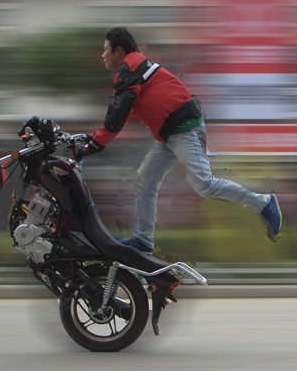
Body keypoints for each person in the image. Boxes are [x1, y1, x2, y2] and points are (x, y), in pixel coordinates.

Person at [78, 27, 282, 254]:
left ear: (118, 50)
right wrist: (95, 139)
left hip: (186, 132)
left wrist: (96, 143)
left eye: (105, 49)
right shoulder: (133, 72)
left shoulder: (131, 68)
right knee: (145, 181)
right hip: (168, 137)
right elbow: (123, 114)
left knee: (204, 185)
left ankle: (263, 202)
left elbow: (119, 112)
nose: (102, 55)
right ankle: (144, 240)